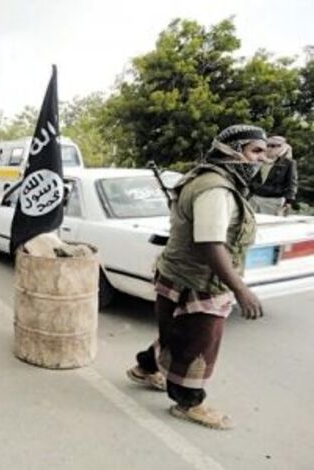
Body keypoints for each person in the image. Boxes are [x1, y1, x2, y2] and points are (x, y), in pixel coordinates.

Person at [126, 125, 268, 430]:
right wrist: (241, 290)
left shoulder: (203, 177)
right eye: (256, 151)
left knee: (175, 332)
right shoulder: (216, 190)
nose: (262, 159)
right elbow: (209, 244)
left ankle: (144, 368)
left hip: (176, 272)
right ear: (233, 150)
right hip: (200, 282)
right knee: (199, 344)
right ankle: (189, 402)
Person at [250, 136, 298, 215]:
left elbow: (292, 183)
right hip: (254, 198)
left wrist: (288, 202)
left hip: (273, 201)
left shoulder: (289, 163)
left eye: (274, 146)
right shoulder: (257, 159)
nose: (270, 148)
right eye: (268, 145)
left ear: (282, 147)